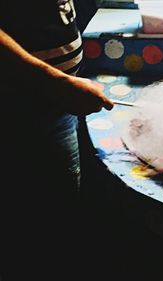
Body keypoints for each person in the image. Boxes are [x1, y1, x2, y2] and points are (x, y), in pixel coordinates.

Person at [0, 1, 113, 280]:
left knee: (60, 215)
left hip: (57, 106)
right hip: (16, 113)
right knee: (35, 228)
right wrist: (55, 83)